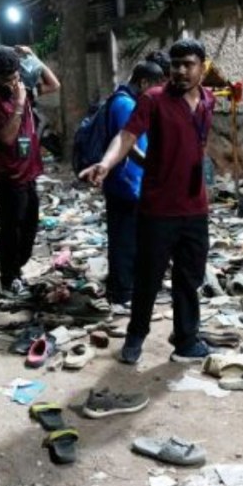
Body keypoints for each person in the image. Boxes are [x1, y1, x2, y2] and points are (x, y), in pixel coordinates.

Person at [79, 38, 215, 364]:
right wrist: (106, 163)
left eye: (188, 64)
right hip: (158, 209)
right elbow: (126, 136)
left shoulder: (208, 100)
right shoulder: (153, 99)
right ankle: (135, 336)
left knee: (189, 279)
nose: (181, 71)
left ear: (202, 67)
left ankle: (186, 340)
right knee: (147, 278)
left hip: (195, 208)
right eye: (176, 64)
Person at [0, 45, 60, 295]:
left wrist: (34, 57)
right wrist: (20, 103)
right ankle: (8, 277)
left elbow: (54, 85)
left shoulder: (24, 88)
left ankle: (17, 269)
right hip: (10, 177)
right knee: (11, 230)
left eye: (15, 76)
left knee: (29, 227)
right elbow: (7, 138)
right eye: (8, 79)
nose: (13, 83)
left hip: (29, 173)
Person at [103, 61, 165, 314]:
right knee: (125, 240)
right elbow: (128, 143)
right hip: (125, 182)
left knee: (129, 237)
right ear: (144, 83)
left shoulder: (123, 99)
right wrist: (155, 167)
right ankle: (122, 293)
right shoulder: (126, 104)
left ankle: (124, 288)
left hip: (128, 181)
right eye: (155, 88)